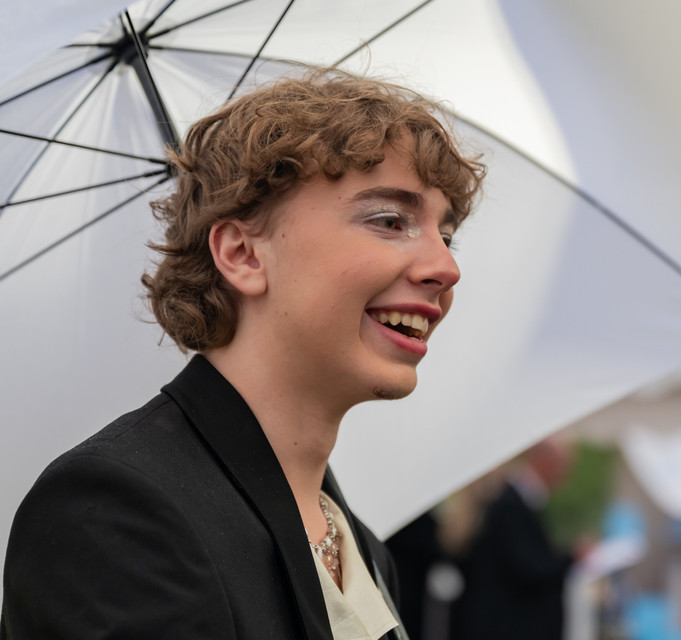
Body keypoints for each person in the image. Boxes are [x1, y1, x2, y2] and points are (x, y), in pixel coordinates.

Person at [1, 68, 485, 639]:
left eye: (445, 236)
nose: (446, 268)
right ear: (242, 255)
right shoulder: (115, 512)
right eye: (390, 221)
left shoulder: (366, 551)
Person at [449, 433, 580, 640]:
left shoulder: (518, 499)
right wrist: (572, 558)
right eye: (564, 465)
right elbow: (528, 567)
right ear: (547, 462)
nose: (566, 474)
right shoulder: (510, 503)